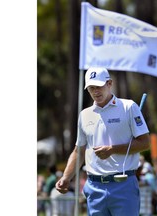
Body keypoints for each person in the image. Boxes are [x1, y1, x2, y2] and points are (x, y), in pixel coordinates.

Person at [55, 67, 150, 216]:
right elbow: (78, 150)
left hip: (123, 185)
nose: (95, 91)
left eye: (99, 86)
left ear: (109, 83)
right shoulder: (84, 114)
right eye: (91, 88)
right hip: (94, 187)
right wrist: (66, 177)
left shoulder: (128, 107)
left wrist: (112, 149)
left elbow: (145, 143)